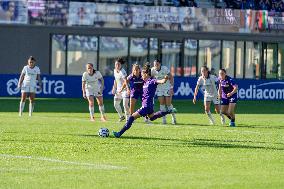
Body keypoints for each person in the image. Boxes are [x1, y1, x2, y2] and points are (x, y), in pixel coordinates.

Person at [113, 63, 177, 138]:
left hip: (146, 106)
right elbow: (127, 80)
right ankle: (168, 111)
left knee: (131, 117)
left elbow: (161, 81)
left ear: (146, 74)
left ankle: (119, 133)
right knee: (152, 117)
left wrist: (165, 79)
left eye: (142, 74)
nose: (141, 76)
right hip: (149, 106)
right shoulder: (145, 82)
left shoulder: (152, 81)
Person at [151, 60, 177, 125]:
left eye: (157, 64)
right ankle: (164, 119)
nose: (156, 66)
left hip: (167, 88)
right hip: (159, 89)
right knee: (162, 104)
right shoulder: (152, 70)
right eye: (154, 64)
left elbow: (171, 77)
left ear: (160, 64)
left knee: (168, 104)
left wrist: (171, 88)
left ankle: (173, 118)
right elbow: (150, 78)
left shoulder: (164, 68)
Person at [112, 57, 130, 122]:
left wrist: (127, 89)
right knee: (116, 104)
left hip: (124, 90)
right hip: (119, 90)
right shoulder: (114, 70)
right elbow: (115, 80)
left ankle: (128, 119)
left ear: (121, 65)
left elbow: (126, 81)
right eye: (116, 64)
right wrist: (114, 88)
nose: (117, 66)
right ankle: (122, 116)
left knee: (125, 105)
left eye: (118, 64)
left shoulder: (123, 71)